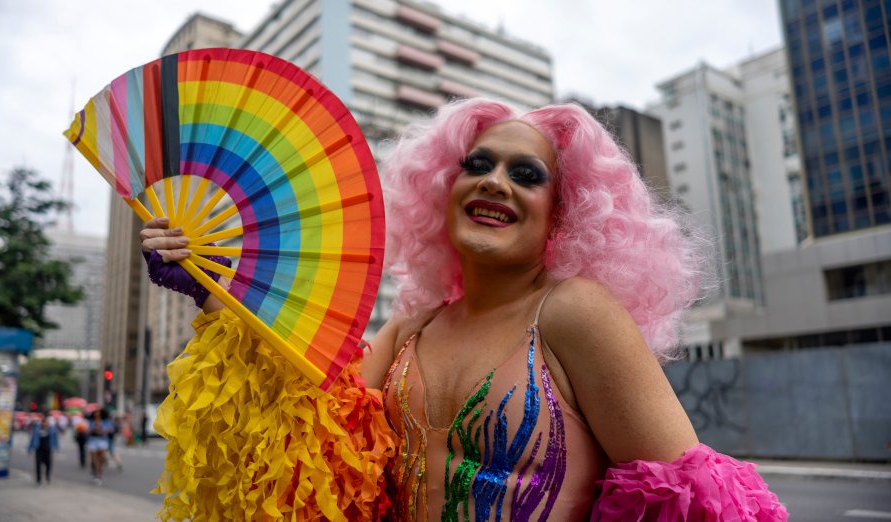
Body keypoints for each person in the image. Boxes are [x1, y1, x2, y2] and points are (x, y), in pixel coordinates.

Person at [140, 98, 787, 520]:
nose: (494, 181)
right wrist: (220, 294)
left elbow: (693, 501)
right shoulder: (411, 328)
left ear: (563, 214)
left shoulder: (574, 313)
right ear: (443, 191)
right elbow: (309, 443)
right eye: (477, 165)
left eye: (526, 174)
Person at [27, 414, 59, 484]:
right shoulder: (37, 429)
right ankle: (38, 479)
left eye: (46, 422)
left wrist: (56, 447)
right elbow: (33, 439)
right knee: (38, 464)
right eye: (43, 422)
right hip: (39, 449)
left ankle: (47, 476)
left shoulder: (52, 429)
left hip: (47, 449)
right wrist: (29, 448)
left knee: (48, 464)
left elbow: (55, 438)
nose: (45, 424)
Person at [87, 408, 112, 485]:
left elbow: (110, 430)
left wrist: (102, 430)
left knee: (101, 459)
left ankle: (99, 475)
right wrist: (93, 429)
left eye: (98, 413)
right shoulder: (91, 421)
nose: (97, 414)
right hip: (93, 440)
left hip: (102, 440)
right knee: (93, 459)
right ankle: (94, 471)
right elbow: (88, 431)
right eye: (95, 413)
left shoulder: (106, 421)